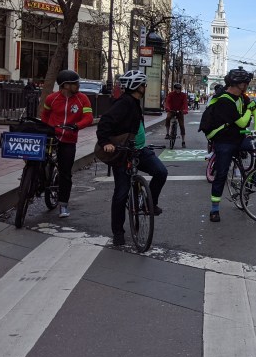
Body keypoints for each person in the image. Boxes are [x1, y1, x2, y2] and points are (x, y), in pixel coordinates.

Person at [97, 70, 168, 246]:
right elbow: (105, 122)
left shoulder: (135, 102)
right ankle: (118, 233)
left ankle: (148, 204)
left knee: (161, 172)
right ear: (137, 86)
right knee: (121, 193)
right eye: (144, 84)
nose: (145, 87)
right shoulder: (124, 103)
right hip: (123, 152)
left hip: (139, 149)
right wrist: (106, 142)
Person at [207, 68, 256, 223]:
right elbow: (241, 121)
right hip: (224, 140)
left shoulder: (242, 97)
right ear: (239, 84)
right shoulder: (224, 100)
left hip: (239, 137)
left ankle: (254, 178)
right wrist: (249, 109)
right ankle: (214, 209)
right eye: (246, 83)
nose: (247, 86)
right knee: (221, 173)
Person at [40, 69, 94, 218]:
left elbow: (88, 117)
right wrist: (44, 129)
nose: (78, 85)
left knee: (65, 173)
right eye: (75, 83)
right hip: (52, 137)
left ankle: (63, 205)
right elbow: (45, 115)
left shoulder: (82, 99)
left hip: (69, 140)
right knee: (37, 160)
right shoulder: (51, 99)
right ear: (65, 85)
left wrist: (77, 125)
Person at [164, 82, 188, 147]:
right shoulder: (171, 94)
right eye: (176, 89)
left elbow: (185, 103)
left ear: (180, 89)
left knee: (182, 125)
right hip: (172, 110)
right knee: (168, 118)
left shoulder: (183, 95)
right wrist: (167, 108)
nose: (177, 90)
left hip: (180, 111)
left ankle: (183, 141)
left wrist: (185, 110)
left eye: (179, 89)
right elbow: (168, 102)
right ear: (174, 89)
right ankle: (167, 133)